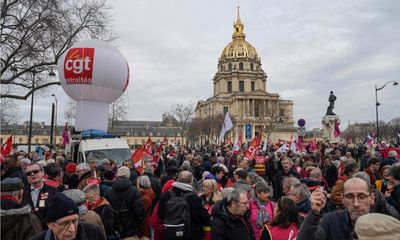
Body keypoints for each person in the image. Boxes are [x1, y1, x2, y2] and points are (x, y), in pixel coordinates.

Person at [297, 178, 375, 240]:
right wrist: (314, 213)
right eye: (349, 197)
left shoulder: (383, 225)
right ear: (342, 199)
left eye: (362, 197)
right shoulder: (331, 221)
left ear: (371, 198)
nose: (356, 204)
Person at [158, 171, 210, 240]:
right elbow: (205, 218)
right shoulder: (194, 198)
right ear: (191, 181)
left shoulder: (166, 195)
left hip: (170, 233)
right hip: (191, 235)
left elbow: (160, 214)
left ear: (178, 179)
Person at [30, 192, 106, 240]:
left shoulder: (94, 232)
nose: (72, 229)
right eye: (65, 223)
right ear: (50, 225)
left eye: (75, 221)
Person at [105, 166, 145, 238]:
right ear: (128, 175)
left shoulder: (109, 191)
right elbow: (139, 210)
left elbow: (106, 209)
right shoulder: (134, 190)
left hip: (114, 225)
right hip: (130, 226)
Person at [22, 163, 58, 228]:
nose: (32, 174)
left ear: (42, 172)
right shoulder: (22, 192)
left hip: (47, 230)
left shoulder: (52, 190)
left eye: (35, 171)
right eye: (29, 173)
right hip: (29, 231)